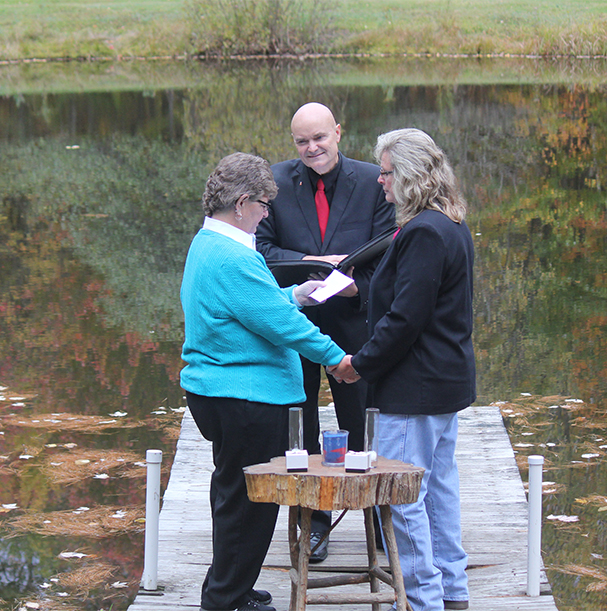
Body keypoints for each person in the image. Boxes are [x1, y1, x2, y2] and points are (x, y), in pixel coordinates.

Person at [180, 152, 350, 611]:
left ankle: (234, 587)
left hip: (220, 393)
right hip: (244, 398)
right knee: (249, 505)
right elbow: (282, 326)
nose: (266, 213)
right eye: (263, 205)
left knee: (235, 495)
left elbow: (253, 305)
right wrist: (337, 359)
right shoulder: (234, 255)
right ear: (241, 202)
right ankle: (225, 600)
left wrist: (294, 293)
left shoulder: (207, 243)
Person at [331, 128, 476, 611]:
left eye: (388, 173)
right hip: (444, 383)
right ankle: (452, 592)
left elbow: (405, 320)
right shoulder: (450, 224)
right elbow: (422, 306)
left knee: (401, 498)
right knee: (437, 494)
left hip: (414, 389)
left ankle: (420, 600)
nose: (380, 182)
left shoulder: (422, 233)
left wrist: (358, 364)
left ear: (411, 176)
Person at [256, 102, 395, 561]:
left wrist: (356, 288)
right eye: (302, 141)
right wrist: (311, 266)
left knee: (361, 424)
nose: (312, 148)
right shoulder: (274, 183)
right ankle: (313, 523)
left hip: (355, 324)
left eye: (320, 138)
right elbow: (263, 250)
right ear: (292, 143)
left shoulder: (374, 182)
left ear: (338, 132)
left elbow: (386, 255)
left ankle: (376, 518)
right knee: (302, 428)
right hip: (295, 323)